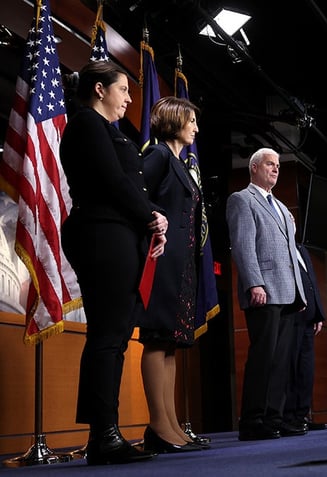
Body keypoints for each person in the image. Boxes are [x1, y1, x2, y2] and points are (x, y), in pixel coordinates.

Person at [59, 60, 167, 465]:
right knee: (108, 336)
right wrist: (150, 215)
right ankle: (103, 435)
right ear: (100, 89)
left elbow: (127, 186)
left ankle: (103, 434)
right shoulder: (87, 123)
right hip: (103, 233)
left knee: (115, 336)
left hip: (117, 232)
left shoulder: (107, 129)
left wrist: (152, 215)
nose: (128, 98)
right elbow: (113, 181)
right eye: (123, 89)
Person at [138, 96, 205, 453]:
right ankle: (158, 426)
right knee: (157, 338)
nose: (195, 127)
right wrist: (152, 216)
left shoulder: (180, 162)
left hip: (182, 264)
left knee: (172, 344)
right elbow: (136, 192)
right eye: (191, 120)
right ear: (175, 121)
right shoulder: (159, 154)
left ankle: (172, 424)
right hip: (161, 259)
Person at [227, 147, 306, 441]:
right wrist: (254, 283)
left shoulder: (283, 207)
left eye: (277, 165)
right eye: (270, 164)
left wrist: (300, 293)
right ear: (254, 168)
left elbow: (291, 252)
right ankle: (252, 420)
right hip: (263, 290)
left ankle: (274, 417)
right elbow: (243, 245)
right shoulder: (241, 200)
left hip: (287, 293)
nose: (275, 169)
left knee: (281, 360)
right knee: (263, 358)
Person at [282, 243, 327, 432]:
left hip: (309, 319)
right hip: (292, 316)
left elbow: (312, 282)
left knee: (306, 370)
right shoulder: (281, 248)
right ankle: (289, 417)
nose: (291, 220)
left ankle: (302, 415)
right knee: (291, 368)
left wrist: (318, 314)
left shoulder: (302, 250)